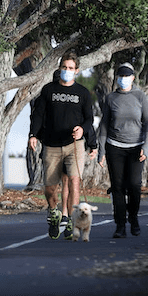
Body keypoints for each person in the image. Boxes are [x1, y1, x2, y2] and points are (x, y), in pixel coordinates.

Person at [29, 51, 97, 240]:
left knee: (74, 181)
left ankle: (72, 220)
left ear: (76, 71)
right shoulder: (48, 90)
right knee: (50, 188)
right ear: (59, 69)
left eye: (71, 68)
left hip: (74, 145)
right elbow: (38, 114)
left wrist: (82, 130)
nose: (67, 71)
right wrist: (33, 135)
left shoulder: (82, 93)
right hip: (51, 145)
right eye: (64, 67)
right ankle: (54, 212)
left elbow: (89, 118)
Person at [97, 62, 148, 238]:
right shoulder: (111, 98)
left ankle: (133, 218)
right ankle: (120, 225)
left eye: (126, 76)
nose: (123, 79)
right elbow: (104, 125)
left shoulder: (140, 96)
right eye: (120, 76)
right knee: (118, 187)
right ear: (117, 78)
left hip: (136, 147)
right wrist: (101, 151)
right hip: (115, 147)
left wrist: (146, 146)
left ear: (133, 78)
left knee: (135, 185)